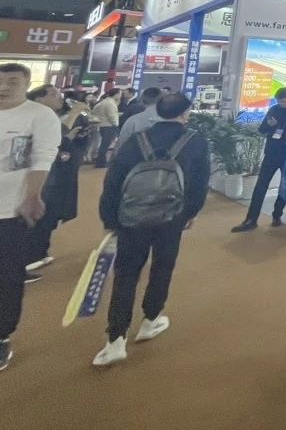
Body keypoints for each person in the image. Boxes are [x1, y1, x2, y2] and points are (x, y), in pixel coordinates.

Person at [93, 92, 210, 367]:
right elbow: (199, 182)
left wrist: (110, 218)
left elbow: (114, 179)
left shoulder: (137, 139)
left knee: (126, 274)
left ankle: (115, 339)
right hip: (172, 217)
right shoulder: (195, 141)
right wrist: (191, 213)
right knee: (162, 267)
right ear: (186, 113)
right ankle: (151, 319)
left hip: (131, 216)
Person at [0, 64, 59, 371]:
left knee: (7, 276)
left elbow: (43, 158)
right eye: (0, 81)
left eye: (12, 81)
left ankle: (2, 335)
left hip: (10, 211)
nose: (4, 87)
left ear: (26, 84)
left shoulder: (40, 116)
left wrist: (32, 196)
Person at [24, 85, 88, 277]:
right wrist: (75, 112)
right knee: (38, 217)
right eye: (53, 94)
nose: (60, 98)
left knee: (50, 215)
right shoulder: (35, 116)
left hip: (55, 176)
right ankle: (28, 259)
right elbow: (57, 135)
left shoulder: (49, 116)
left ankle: (39, 253)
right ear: (39, 99)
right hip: (42, 178)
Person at [231, 87, 286, 233]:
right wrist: (269, 124)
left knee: (285, 185)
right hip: (272, 153)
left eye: (284, 101)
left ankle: (277, 214)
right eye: (279, 101)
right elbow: (262, 129)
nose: (281, 104)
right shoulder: (273, 109)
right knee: (260, 185)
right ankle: (251, 219)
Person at [92, 90, 122, 168]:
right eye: (120, 94)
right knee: (105, 145)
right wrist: (116, 124)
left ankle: (101, 162)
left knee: (104, 144)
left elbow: (94, 111)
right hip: (109, 126)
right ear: (116, 94)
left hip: (103, 125)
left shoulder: (103, 102)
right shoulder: (110, 103)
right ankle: (101, 163)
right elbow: (112, 116)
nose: (120, 96)